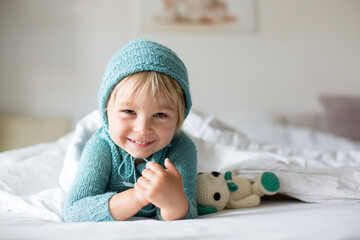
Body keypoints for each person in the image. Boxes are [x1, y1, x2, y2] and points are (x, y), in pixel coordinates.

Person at [63, 39, 197, 222]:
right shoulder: (102, 146)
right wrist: (138, 197)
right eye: (128, 111)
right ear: (106, 112)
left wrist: (174, 203)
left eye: (160, 114)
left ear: (179, 118)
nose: (142, 129)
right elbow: (74, 211)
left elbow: (188, 213)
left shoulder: (181, 147)